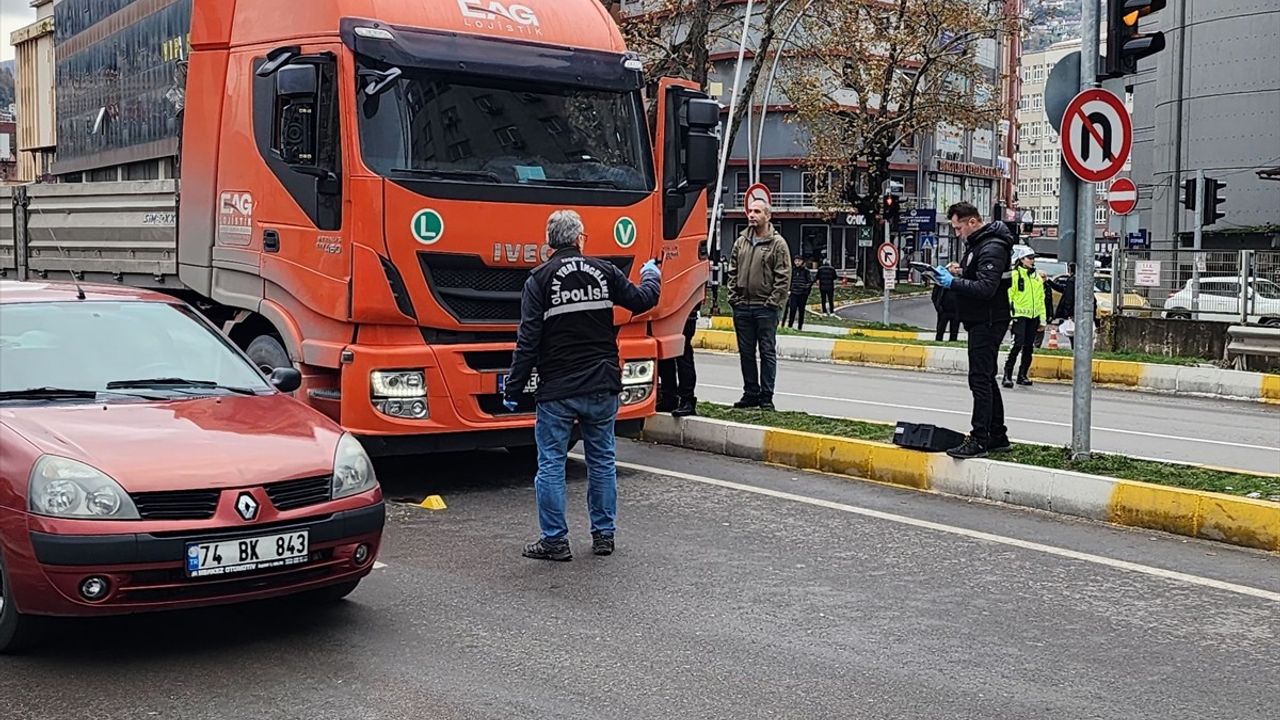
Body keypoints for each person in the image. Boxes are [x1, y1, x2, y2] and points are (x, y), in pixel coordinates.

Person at [505, 209, 662, 561]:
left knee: (550, 465)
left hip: (558, 390)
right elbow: (643, 299)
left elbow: (528, 340)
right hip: (601, 384)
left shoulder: (539, 280)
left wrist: (514, 389)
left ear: (549, 243)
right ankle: (604, 536)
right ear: (579, 239)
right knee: (602, 461)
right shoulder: (605, 271)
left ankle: (555, 542)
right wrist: (651, 275)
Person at [933, 202, 1014, 459]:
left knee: (979, 379)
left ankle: (980, 438)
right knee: (986, 377)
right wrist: (961, 271)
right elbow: (980, 276)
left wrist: (954, 282)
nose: (957, 233)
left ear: (972, 222)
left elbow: (985, 288)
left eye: (958, 228)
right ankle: (997, 435)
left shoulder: (992, 246)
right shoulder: (980, 244)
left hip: (988, 320)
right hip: (982, 319)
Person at [726, 199, 792, 411]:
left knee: (766, 351)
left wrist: (772, 303)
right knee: (746, 352)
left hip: (765, 308)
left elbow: (783, 277)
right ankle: (750, 393)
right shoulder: (741, 241)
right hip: (742, 307)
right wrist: (733, 298)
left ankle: (766, 396)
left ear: (767, 216)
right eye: (750, 211)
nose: (751, 215)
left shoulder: (778, 244)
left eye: (757, 211)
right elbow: (732, 270)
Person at [1003, 245, 1047, 388]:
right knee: (1016, 344)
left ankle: (1022, 375)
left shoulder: (1036, 278)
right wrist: (1009, 316)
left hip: (1033, 316)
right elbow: (1009, 296)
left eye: (1033, 258)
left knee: (1029, 347)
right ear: (1021, 259)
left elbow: (1041, 300)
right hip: (1019, 315)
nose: (1032, 261)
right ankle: (1007, 375)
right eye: (1029, 258)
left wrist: (1042, 320)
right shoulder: (1015, 275)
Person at [657, 301, 700, 418]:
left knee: (683, 354)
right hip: (667, 310)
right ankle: (669, 397)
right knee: (665, 353)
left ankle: (686, 399)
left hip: (684, 311)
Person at [784, 256, 813, 330]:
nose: (797, 262)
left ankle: (800, 327)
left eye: (799, 261)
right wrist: (789, 289)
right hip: (793, 293)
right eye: (796, 261)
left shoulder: (806, 271)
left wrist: (805, 288)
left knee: (801, 310)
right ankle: (790, 326)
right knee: (792, 309)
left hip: (802, 294)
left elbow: (810, 282)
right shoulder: (792, 270)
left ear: (802, 262)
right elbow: (789, 280)